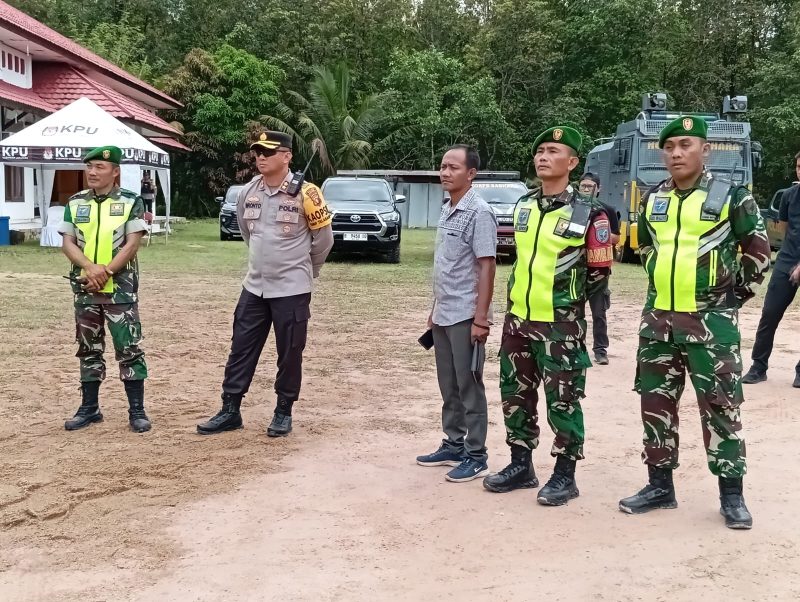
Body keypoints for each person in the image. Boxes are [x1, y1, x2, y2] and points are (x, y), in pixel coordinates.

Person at [618, 116, 770, 529]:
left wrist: (728, 298)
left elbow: (758, 253)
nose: (676, 153)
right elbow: (646, 244)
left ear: (706, 150)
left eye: (686, 145)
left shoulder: (731, 196)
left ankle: (732, 495)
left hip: (710, 327)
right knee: (656, 405)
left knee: (721, 407)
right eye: (669, 147)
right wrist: (654, 270)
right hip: (658, 325)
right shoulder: (653, 197)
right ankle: (659, 486)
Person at [482, 126, 613, 506]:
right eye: (540, 150)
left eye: (553, 151)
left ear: (571, 163)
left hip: (561, 325)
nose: (542, 156)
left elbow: (598, 274)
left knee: (563, 400)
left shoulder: (590, 214)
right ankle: (521, 464)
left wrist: (566, 306)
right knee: (515, 395)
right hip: (518, 321)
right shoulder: (524, 205)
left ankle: (564, 474)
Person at [197, 131, 334, 437]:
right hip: (254, 287)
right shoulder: (249, 191)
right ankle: (230, 409)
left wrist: (305, 269)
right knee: (241, 348)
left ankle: (283, 411)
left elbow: (324, 240)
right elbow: (248, 233)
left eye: (268, 152)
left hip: (292, 289)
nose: (260, 157)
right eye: (257, 152)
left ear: (286, 156)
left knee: (289, 352)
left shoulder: (307, 194)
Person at [416, 144, 497, 483]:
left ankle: (476, 454)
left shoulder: (479, 211)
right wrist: (435, 309)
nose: (445, 172)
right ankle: (453, 443)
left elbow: (487, 266)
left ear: (471, 173)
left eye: (453, 167)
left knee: (469, 384)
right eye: (443, 166)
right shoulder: (448, 206)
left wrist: (481, 318)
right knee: (448, 384)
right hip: (445, 312)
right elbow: (448, 265)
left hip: (466, 313)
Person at [58, 146, 151, 433]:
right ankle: (89, 408)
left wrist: (106, 271)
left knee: (128, 347)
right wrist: (89, 267)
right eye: (89, 167)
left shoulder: (131, 201)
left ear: (115, 171)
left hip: (119, 289)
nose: (92, 172)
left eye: (99, 166)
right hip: (86, 287)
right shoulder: (75, 202)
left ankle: (137, 411)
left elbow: (132, 243)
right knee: (88, 347)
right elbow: (68, 242)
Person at [742, 151, 800, 387]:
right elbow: (787, 230)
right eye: (798, 166)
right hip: (787, 260)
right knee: (770, 314)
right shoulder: (789, 196)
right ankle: (758, 367)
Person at [578, 172, 621, 365]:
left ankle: (600, 350)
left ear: (598, 188)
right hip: (577, 268)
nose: (586, 189)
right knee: (574, 312)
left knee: (599, 313)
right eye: (583, 186)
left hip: (600, 270)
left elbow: (616, 238)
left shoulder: (608, 210)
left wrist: (598, 237)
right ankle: (576, 348)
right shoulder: (573, 208)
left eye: (590, 186)